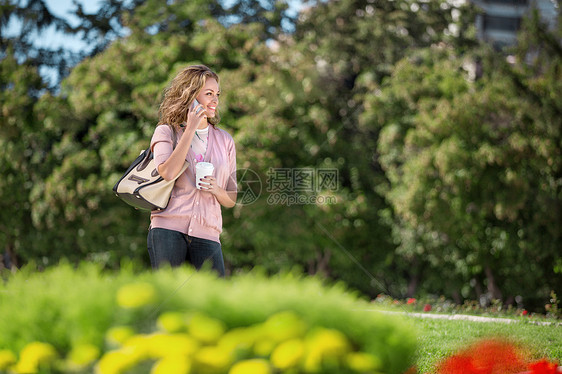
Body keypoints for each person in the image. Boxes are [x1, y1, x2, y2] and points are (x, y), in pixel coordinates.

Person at [147, 65, 237, 276]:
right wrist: (190, 129)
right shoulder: (166, 131)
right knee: (170, 301)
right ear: (190, 95)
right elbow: (167, 172)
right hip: (167, 230)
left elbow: (231, 198)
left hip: (208, 235)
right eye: (208, 94)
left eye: (217, 94)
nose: (215, 100)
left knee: (214, 301)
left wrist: (217, 189)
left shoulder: (225, 141)